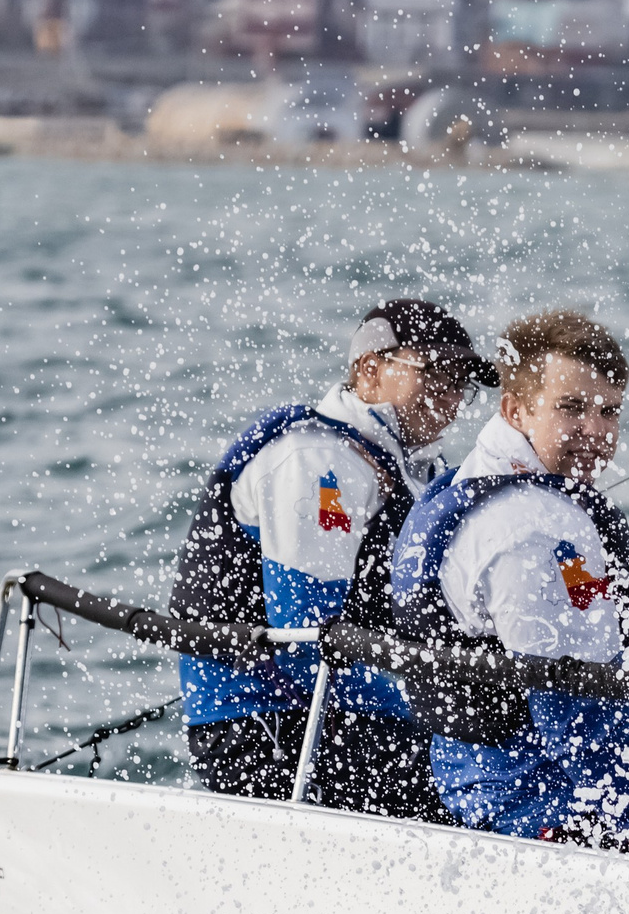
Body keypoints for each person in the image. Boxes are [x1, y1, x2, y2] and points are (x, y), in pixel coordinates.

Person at [169, 298, 491, 816]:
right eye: (435, 375)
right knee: (471, 792)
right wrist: (429, 709)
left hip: (346, 710)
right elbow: (306, 640)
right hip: (264, 723)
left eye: (460, 384)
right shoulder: (317, 460)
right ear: (370, 369)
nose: (450, 399)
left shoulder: (414, 468)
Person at [389, 310, 629, 845]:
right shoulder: (531, 527)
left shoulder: (470, 481)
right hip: (539, 813)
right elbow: (572, 706)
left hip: (474, 789)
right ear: (515, 409)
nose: (596, 431)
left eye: (609, 412)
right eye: (572, 409)